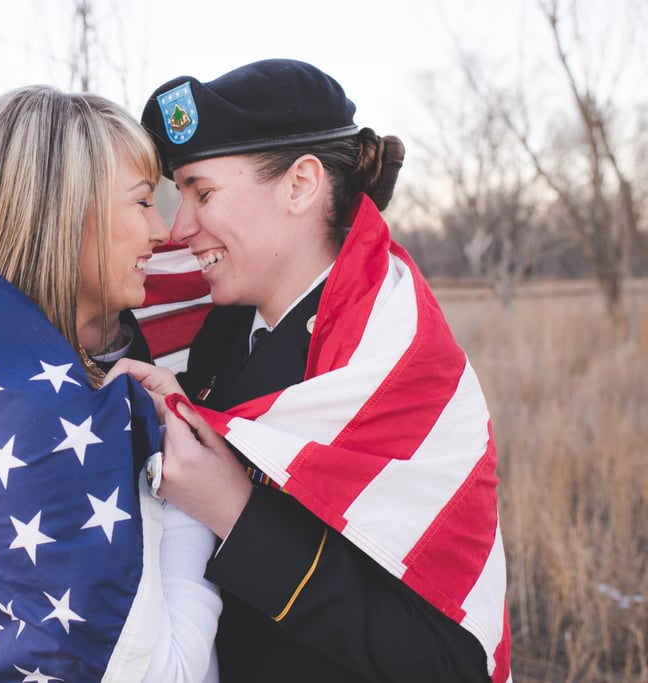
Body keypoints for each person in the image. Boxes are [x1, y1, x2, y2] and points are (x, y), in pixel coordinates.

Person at [107, 59, 511, 682]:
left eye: (202, 192)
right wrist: (181, 410)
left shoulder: (394, 368)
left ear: (300, 185)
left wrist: (236, 514)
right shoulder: (225, 334)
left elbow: (448, 660)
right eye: (176, 195)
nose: (180, 229)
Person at [0, 85, 221, 683]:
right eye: (141, 202)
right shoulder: (40, 421)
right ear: (65, 216)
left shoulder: (0, 382)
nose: (165, 232)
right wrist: (193, 493)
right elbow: (167, 673)